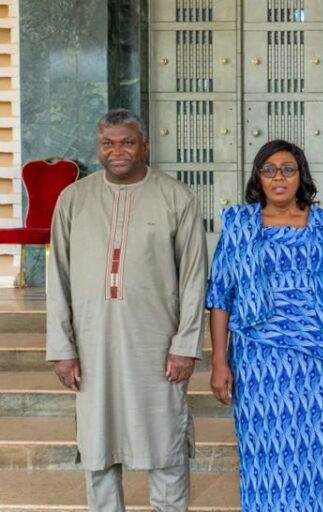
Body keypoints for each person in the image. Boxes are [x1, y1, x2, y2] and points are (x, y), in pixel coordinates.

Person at [45, 109, 208, 511]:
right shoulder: (73, 199)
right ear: (98, 149)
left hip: (156, 345)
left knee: (165, 443)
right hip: (92, 345)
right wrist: (62, 348)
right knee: (98, 446)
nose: (117, 151)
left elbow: (193, 278)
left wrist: (186, 344)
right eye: (108, 143)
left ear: (144, 146)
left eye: (127, 142)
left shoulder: (177, 197)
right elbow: (58, 278)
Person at [206, 139, 323, 511]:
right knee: (263, 451)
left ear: (300, 175)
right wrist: (219, 361)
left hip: (314, 357)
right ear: (258, 177)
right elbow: (221, 295)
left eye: (288, 169)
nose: (279, 177)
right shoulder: (239, 225)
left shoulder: (322, 224)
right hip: (256, 359)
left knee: (316, 451)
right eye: (269, 169)